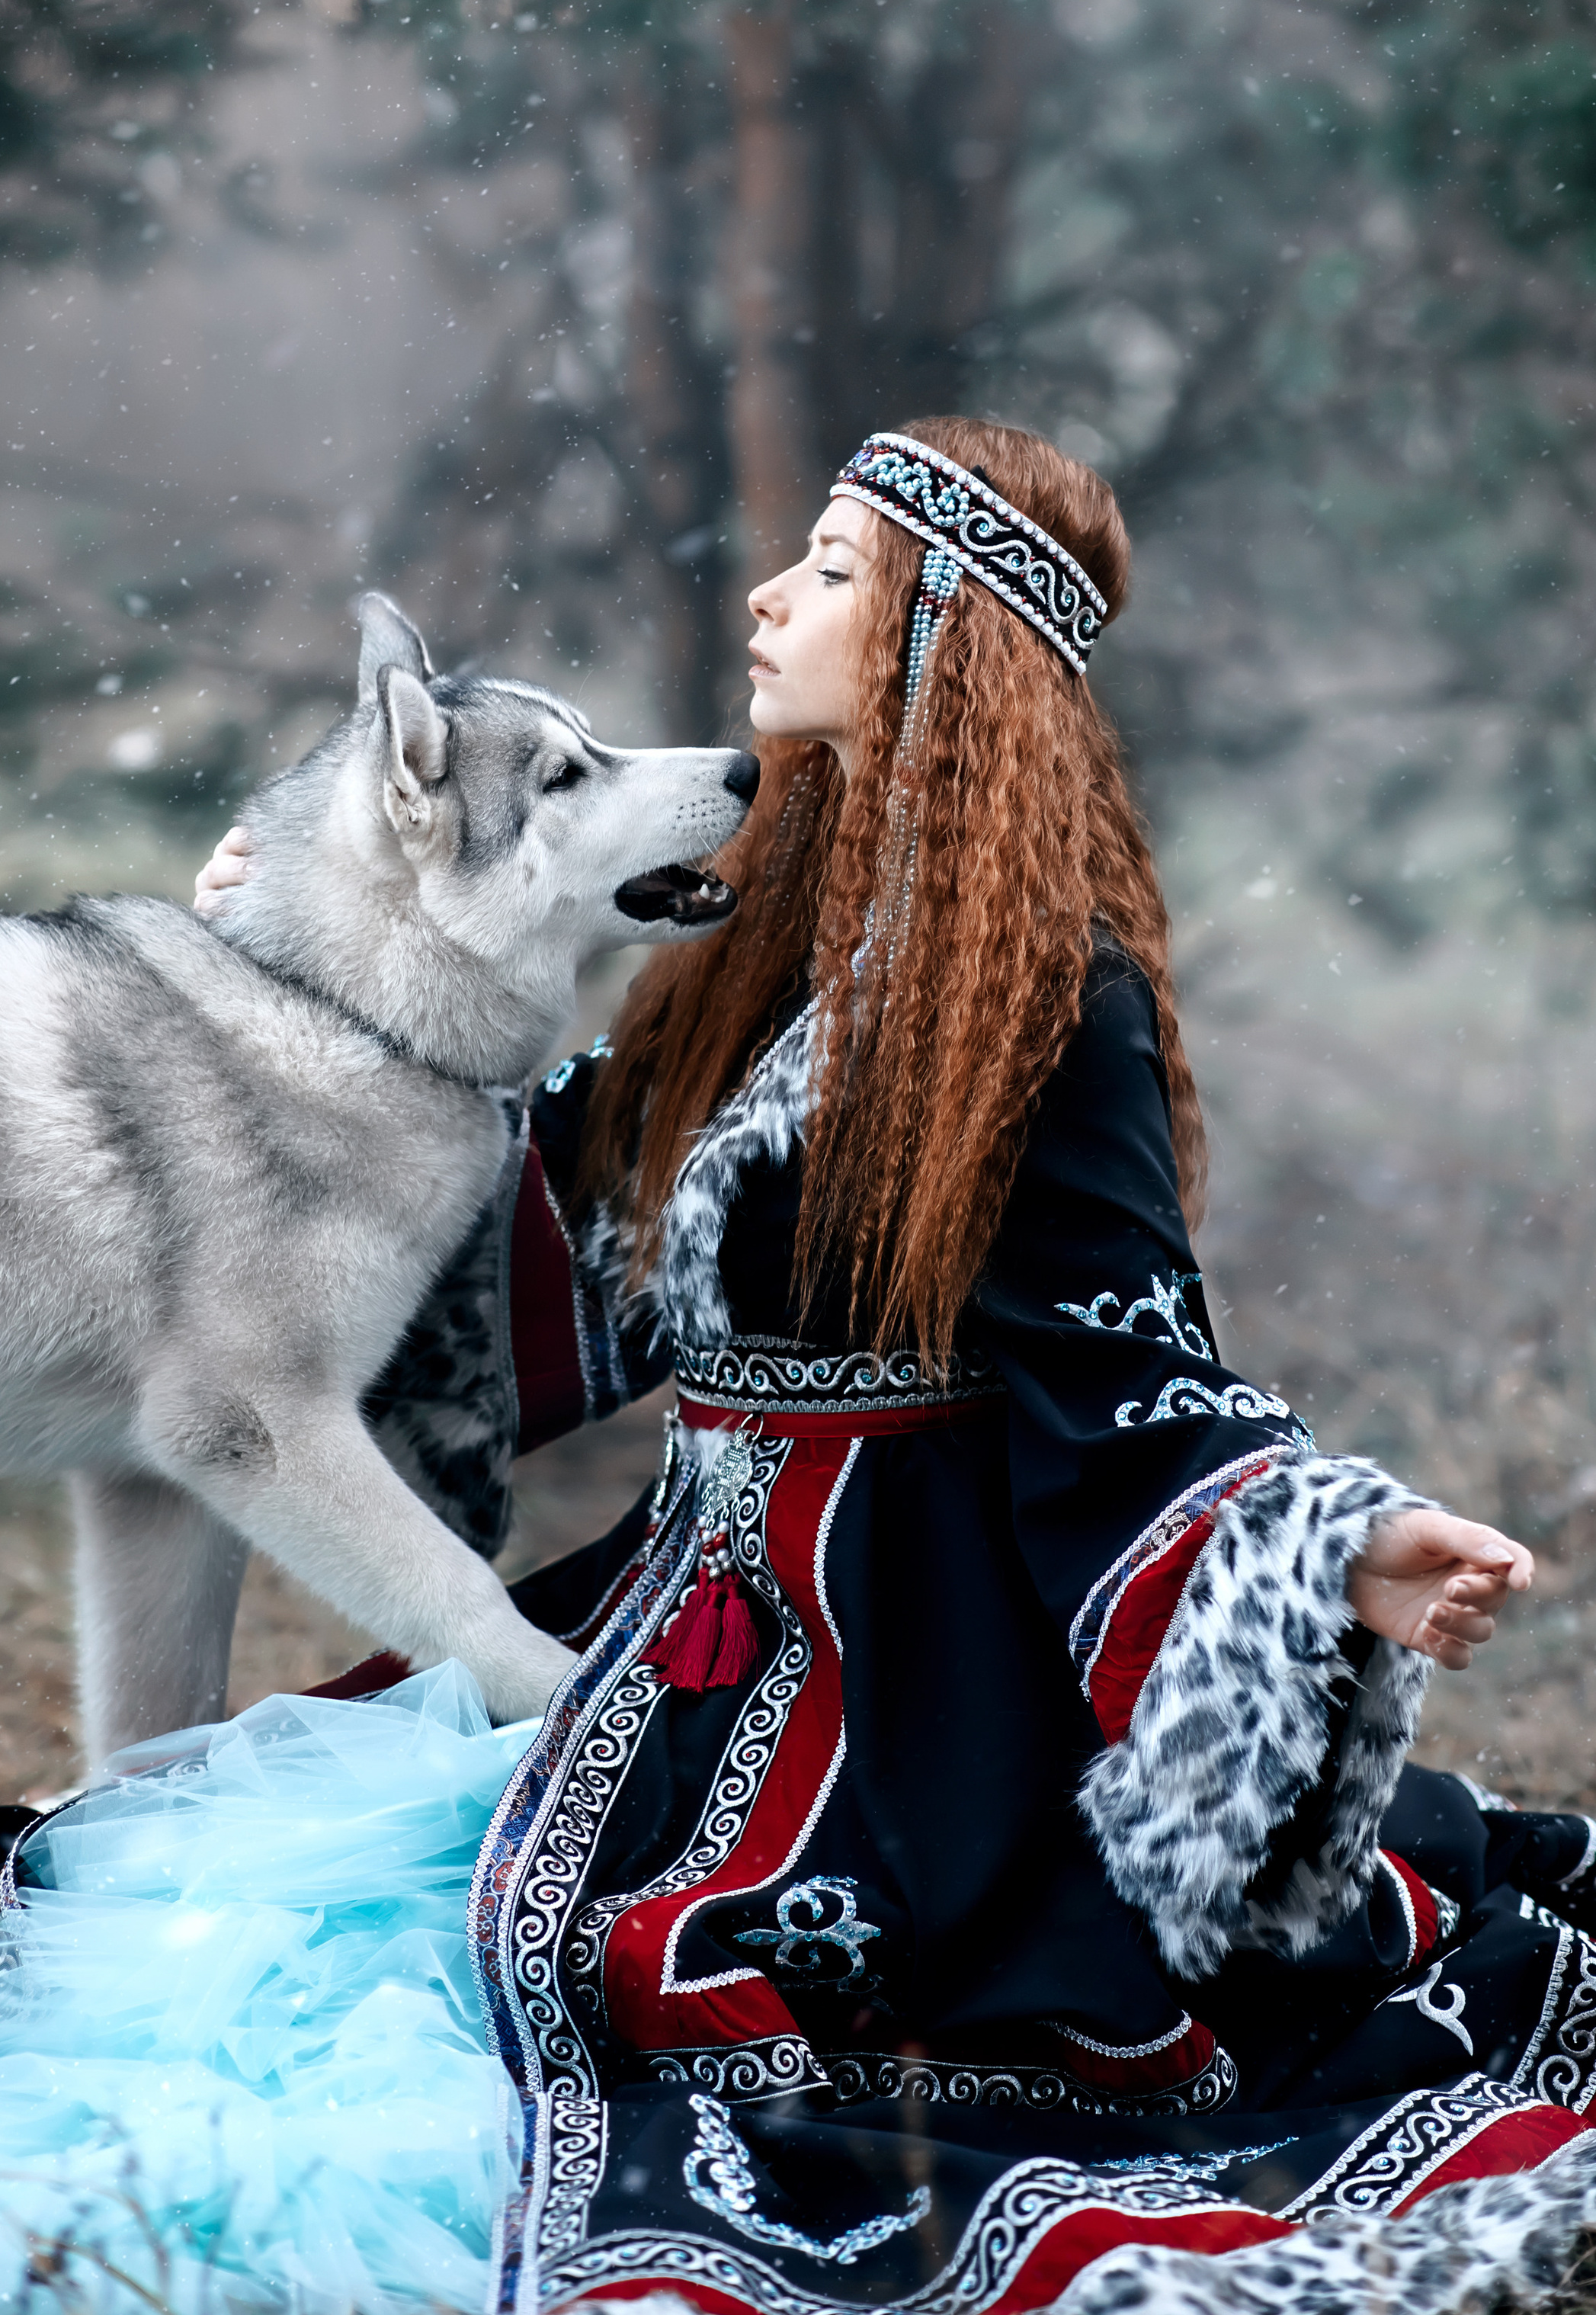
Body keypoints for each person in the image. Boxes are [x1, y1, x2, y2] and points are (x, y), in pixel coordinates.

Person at [9, 418, 1596, 2315]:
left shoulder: (1039, 997)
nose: (771, 590)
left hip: (888, 1681)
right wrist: (299, 967)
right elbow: (544, 1250)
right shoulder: (761, 943)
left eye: (836, 568)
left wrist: (1333, 1539)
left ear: (949, 634)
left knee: (596, 2028)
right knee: (265, 1920)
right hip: (687, 1623)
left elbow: (1127, 1368)